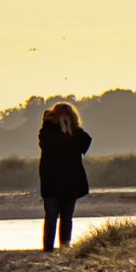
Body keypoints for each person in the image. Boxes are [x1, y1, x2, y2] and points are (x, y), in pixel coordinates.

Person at [38, 101, 91, 251]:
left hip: (70, 183)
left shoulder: (76, 133)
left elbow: (85, 144)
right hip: (52, 183)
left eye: (67, 116)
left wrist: (69, 132)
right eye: (61, 116)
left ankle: (65, 246)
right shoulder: (46, 132)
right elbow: (50, 146)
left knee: (67, 217)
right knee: (51, 215)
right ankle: (48, 248)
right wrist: (61, 132)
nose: (64, 119)